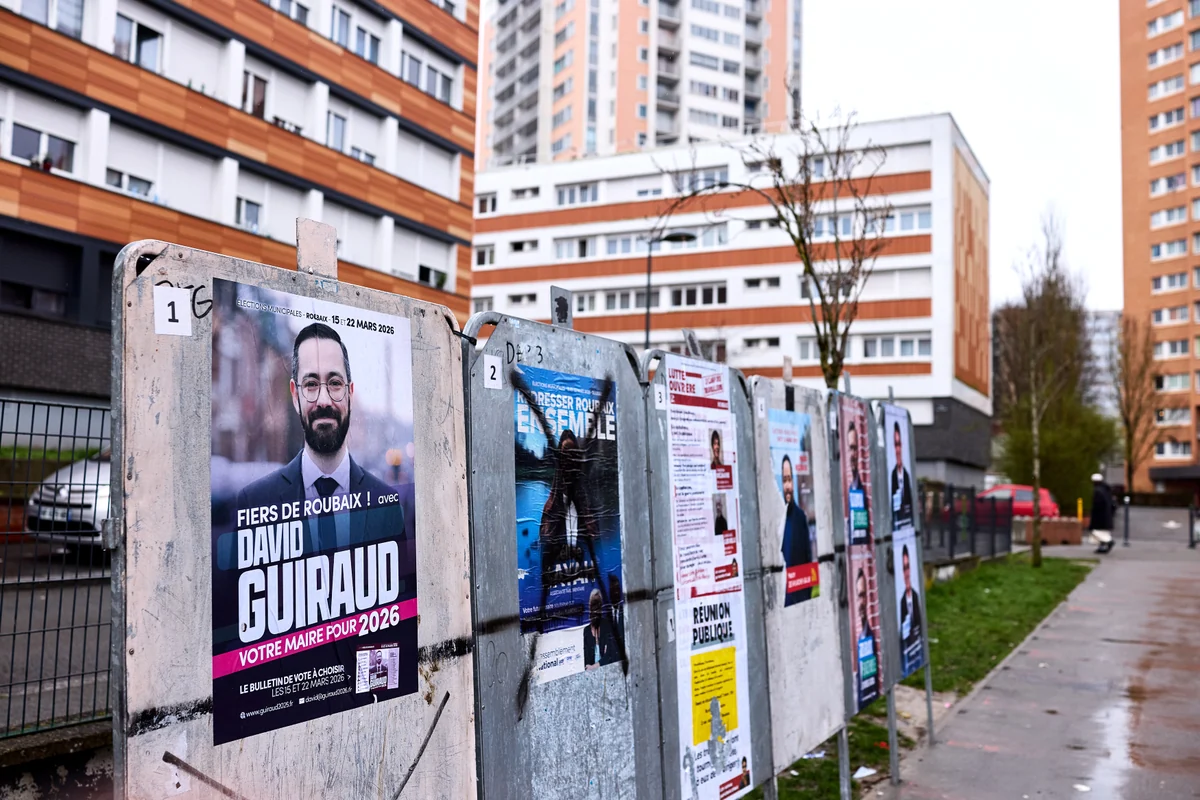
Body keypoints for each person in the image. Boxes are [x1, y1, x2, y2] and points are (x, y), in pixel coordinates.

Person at [235, 323, 404, 554]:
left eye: (334, 383)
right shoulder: (255, 503)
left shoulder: (387, 505)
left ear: (350, 394)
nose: (324, 400)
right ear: (295, 396)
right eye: (311, 384)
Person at [779, 454, 815, 603]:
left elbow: (808, 560)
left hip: (801, 599)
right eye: (784, 480)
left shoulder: (801, 518)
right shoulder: (777, 519)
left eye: (789, 479)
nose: (787, 486)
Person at [845, 421, 871, 546]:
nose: (853, 454)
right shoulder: (849, 488)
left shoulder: (863, 488)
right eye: (850, 448)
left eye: (855, 448)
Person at [898, 545, 922, 668]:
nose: (906, 573)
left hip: (917, 648)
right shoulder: (902, 603)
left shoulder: (916, 596)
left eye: (907, 567)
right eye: (904, 568)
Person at [856, 567, 878, 701]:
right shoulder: (860, 637)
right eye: (859, 596)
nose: (861, 602)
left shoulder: (872, 635)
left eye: (863, 595)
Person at [583, 588, 618, 669]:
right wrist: (591, 668)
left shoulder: (607, 625)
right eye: (593, 604)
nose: (595, 608)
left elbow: (610, 655)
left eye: (597, 604)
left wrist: (595, 666)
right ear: (590, 606)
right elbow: (587, 662)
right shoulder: (586, 631)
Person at [890, 422, 914, 530]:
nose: (898, 450)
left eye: (899, 444)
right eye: (895, 445)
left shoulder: (907, 476)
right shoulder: (892, 476)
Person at [1088, 473, 1115, 554]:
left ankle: (1108, 542)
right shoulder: (1106, 489)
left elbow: (1097, 504)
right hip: (1106, 515)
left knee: (1096, 531)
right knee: (1103, 532)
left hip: (1100, 516)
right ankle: (1102, 546)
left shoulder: (1098, 491)